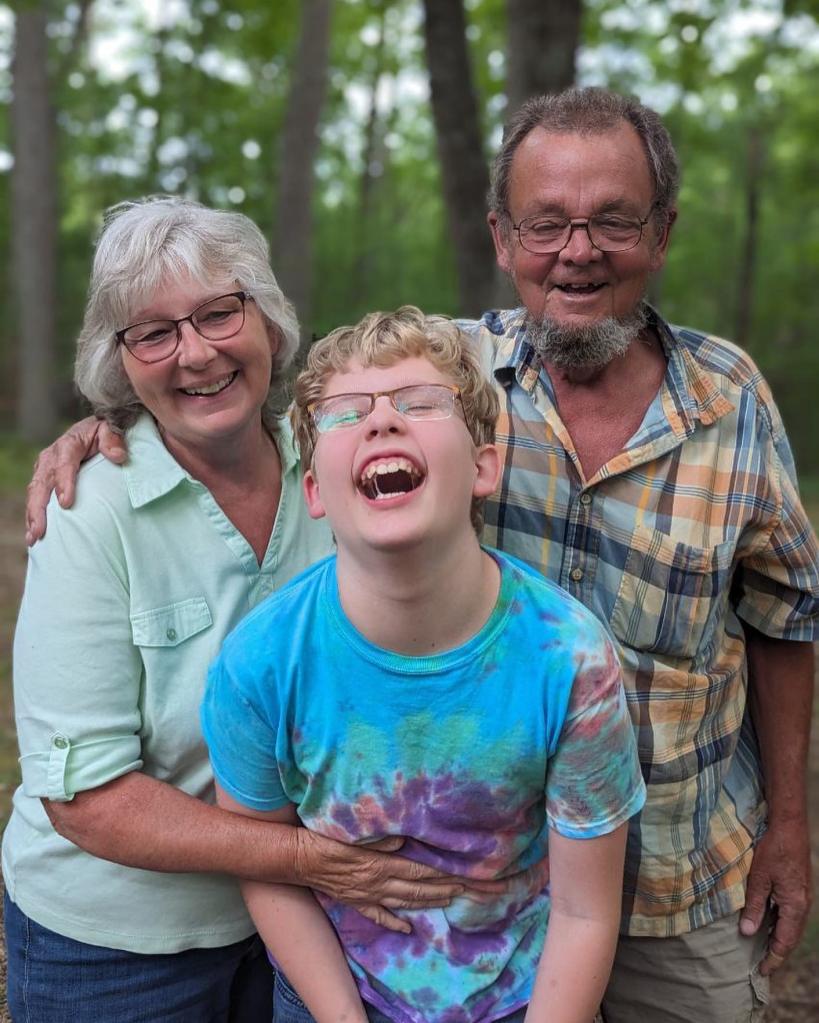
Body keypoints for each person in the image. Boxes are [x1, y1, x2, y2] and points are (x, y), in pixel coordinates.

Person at [24, 88, 819, 1022]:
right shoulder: (438, 376)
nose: (576, 250)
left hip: (662, 877)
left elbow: (784, 614)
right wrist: (108, 422)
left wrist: (789, 822)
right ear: (501, 238)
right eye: (545, 223)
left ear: (661, 232)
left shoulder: (718, 401)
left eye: (613, 220)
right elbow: (324, 390)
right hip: (308, 916)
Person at [3, 198, 478, 1023]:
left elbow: (465, 375)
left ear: (267, 318)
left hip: (306, 928)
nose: (195, 353)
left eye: (219, 313)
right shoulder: (89, 513)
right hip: (117, 950)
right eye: (153, 333)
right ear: (122, 362)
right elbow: (86, 798)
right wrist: (312, 858)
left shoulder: (339, 458)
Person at [200, 306, 646, 1023]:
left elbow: (585, 911)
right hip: (333, 996)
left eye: (421, 402)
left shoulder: (568, 658)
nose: (382, 421)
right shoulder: (259, 666)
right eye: (346, 413)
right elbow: (268, 871)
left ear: (483, 467)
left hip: (527, 997)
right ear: (313, 490)